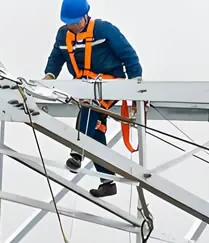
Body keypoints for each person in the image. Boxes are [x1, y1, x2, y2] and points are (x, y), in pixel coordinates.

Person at [43, 0, 142, 198]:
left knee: (90, 108)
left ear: (86, 16)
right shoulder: (64, 35)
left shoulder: (104, 30)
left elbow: (129, 55)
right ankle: (107, 182)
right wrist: (49, 75)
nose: (74, 26)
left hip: (110, 83)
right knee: (95, 130)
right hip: (85, 86)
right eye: (69, 23)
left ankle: (77, 151)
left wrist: (136, 88)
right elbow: (56, 57)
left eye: (76, 22)